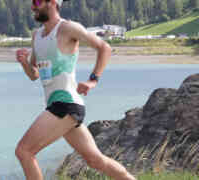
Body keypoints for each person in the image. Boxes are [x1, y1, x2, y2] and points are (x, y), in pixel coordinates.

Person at [14, 0, 136, 179]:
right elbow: (34, 74)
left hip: (66, 104)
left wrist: (93, 80)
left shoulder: (68, 28)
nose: (33, 6)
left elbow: (104, 48)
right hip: (58, 105)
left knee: (24, 152)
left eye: (37, 1)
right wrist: (25, 63)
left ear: (53, 3)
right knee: (95, 160)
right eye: (32, 2)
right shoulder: (37, 36)